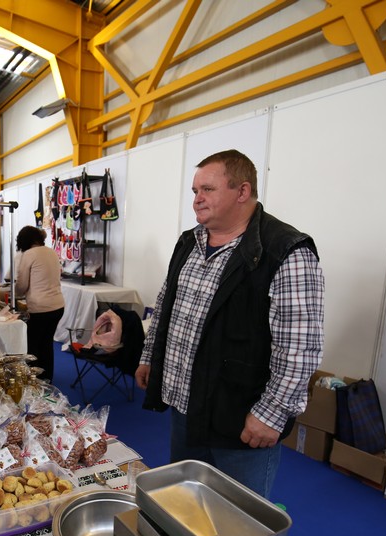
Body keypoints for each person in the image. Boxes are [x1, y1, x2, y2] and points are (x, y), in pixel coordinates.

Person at [134, 149, 324, 498]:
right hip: (185, 410)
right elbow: (165, 305)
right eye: (194, 191)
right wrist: (150, 357)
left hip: (240, 421)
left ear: (242, 191)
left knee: (236, 526)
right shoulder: (189, 242)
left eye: (207, 190)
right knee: (182, 507)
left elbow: (299, 347)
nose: (197, 200)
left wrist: (272, 414)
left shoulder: (286, 251)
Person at [14, 225, 65, 382]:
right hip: (57, 305)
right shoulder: (51, 252)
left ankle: (34, 379)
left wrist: (13, 292)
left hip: (40, 307)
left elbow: (22, 286)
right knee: (47, 343)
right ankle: (47, 377)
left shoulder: (29, 254)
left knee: (33, 344)